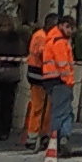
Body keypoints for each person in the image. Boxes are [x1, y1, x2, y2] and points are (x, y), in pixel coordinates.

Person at [24, 14, 76, 146]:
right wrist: (68, 81)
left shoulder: (50, 37)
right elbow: (60, 63)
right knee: (40, 108)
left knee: (50, 109)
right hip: (41, 76)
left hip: (46, 77)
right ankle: (36, 136)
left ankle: (44, 135)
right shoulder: (44, 37)